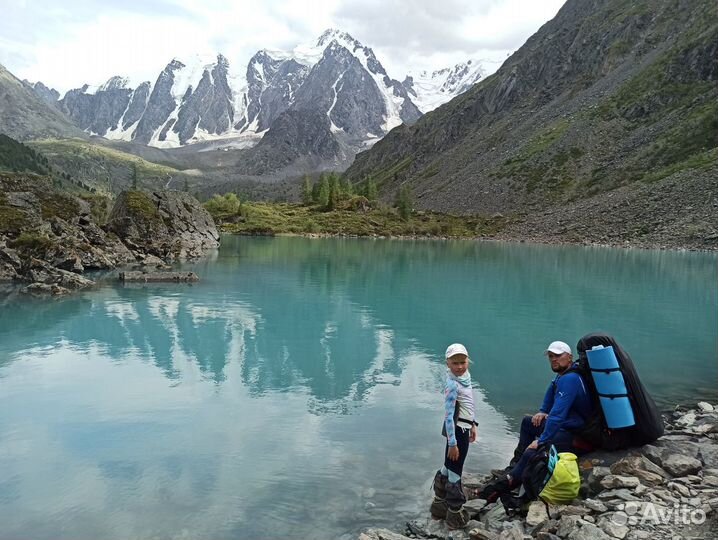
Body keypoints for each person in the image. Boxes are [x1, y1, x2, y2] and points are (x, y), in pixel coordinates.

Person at [503, 340, 593, 488]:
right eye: (551, 356)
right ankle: (516, 464)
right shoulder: (564, 373)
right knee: (528, 422)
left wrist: (541, 440)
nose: (553, 359)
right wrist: (543, 411)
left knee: (534, 450)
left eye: (557, 355)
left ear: (569, 357)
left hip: (577, 434)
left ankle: (511, 481)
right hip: (567, 426)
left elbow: (557, 416)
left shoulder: (570, 379)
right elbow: (552, 388)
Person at [430, 343, 478, 529]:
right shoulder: (452, 384)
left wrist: (474, 424)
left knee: (448, 466)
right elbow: (449, 416)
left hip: (465, 427)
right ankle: (454, 516)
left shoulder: (465, 377)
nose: (459, 366)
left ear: (468, 361)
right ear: (447, 363)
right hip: (457, 432)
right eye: (455, 363)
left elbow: (469, 404)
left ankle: (438, 506)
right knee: (456, 471)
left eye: (462, 362)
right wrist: (453, 443)